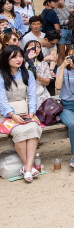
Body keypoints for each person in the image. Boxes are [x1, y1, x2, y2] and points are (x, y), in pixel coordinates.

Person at [0, 45, 41, 181]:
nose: (19, 59)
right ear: (6, 59)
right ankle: (29, 167)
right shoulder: (1, 76)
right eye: (14, 57)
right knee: (19, 131)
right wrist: (12, 115)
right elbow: (2, 100)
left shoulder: (27, 73)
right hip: (6, 115)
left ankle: (27, 167)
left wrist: (32, 112)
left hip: (25, 112)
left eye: (20, 56)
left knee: (33, 128)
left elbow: (32, 95)